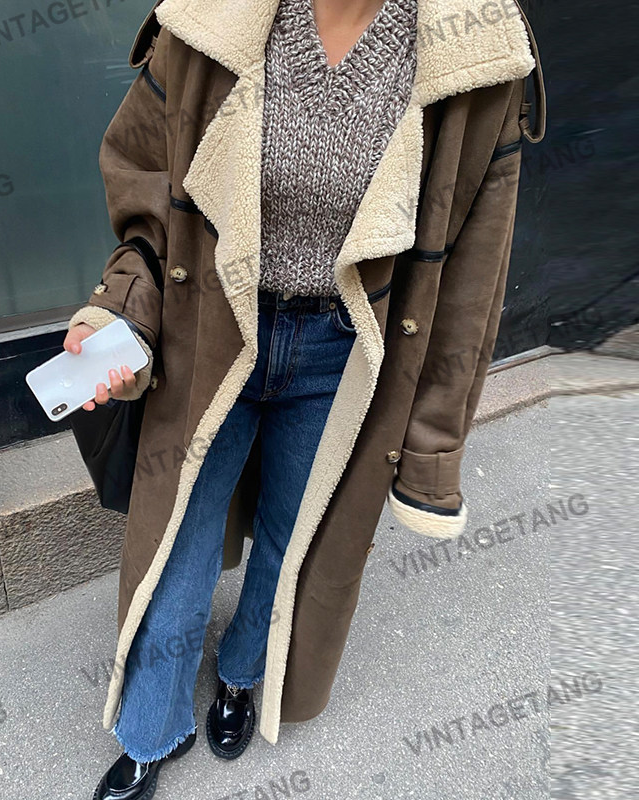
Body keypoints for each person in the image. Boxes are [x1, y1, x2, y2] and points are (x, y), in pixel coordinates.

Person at [63, 0, 545, 797]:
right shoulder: (212, 21)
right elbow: (145, 186)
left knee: (298, 539)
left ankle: (242, 674)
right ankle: (151, 728)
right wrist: (117, 312)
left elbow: (471, 278)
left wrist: (433, 446)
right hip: (211, 332)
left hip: (342, 352)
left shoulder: (473, 52)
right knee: (176, 542)